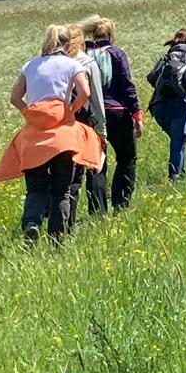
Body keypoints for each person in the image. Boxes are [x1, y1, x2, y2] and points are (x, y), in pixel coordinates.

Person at [0, 25, 103, 244]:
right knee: (61, 191)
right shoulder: (72, 65)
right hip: (63, 138)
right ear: (68, 44)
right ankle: (57, 239)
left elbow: (15, 97)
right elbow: (85, 93)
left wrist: (29, 113)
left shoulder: (30, 65)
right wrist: (70, 111)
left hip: (33, 139)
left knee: (36, 190)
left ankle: (32, 224)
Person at [79, 16, 145, 212]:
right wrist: (137, 114)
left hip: (91, 115)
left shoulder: (83, 55)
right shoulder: (117, 54)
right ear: (111, 34)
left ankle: (97, 210)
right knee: (127, 158)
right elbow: (127, 86)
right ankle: (121, 204)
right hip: (118, 113)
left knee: (96, 162)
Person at [147, 29, 186, 180]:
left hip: (159, 106)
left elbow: (151, 78)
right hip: (180, 105)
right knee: (178, 143)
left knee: (177, 141)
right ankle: (174, 179)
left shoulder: (167, 56)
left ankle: (179, 172)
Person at [65, 23, 108, 223]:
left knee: (70, 176)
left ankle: (67, 221)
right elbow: (97, 100)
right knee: (95, 166)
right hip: (84, 122)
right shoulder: (87, 63)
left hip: (61, 124)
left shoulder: (56, 63)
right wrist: (102, 131)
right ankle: (98, 213)